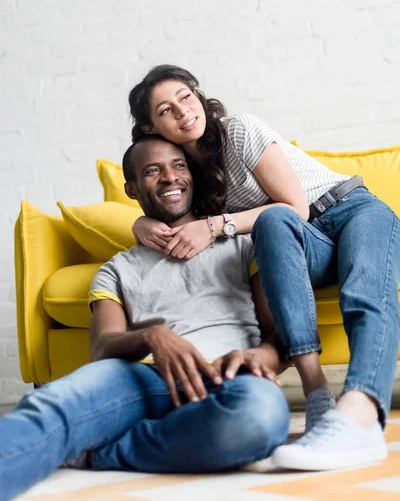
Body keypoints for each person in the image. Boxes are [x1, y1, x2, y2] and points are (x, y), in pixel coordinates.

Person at [128, 64, 400, 471]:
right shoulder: (185, 176)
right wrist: (141, 222)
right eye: (166, 110)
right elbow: (178, 218)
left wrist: (217, 223)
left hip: (352, 210)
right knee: (271, 222)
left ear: (199, 96)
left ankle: (361, 414)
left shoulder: (238, 130)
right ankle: (318, 399)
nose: (184, 111)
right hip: (307, 243)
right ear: (151, 128)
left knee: (361, 289)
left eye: (186, 96)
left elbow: (296, 206)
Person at [0, 136, 290, 501]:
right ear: (132, 189)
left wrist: (258, 358)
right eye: (153, 171)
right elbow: (102, 347)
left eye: (178, 165)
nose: (170, 177)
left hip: (226, 374)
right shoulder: (116, 270)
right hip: (142, 376)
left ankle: (100, 453)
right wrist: (153, 336)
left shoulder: (241, 246)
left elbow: (281, 335)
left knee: (258, 420)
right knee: (48, 407)